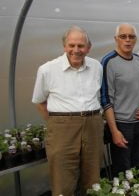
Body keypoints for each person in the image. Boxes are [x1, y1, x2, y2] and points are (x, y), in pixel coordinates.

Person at [32, 26, 103, 195]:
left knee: (93, 178)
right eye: (71, 45)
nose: (76, 50)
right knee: (62, 179)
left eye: (81, 46)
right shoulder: (48, 70)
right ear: (64, 46)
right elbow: (39, 102)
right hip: (62, 128)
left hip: (92, 124)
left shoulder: (96, 66)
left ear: (88, 47)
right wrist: (57, 124)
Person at [100, 23, 139, 177]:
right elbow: (106, 98)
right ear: (116, 39)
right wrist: (114, 131)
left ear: (135, 39)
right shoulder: (108, 61)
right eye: (123, 36)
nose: (127, 40)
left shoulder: (138, 59)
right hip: (122, 125)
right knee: (123, 172)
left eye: (131, 37)